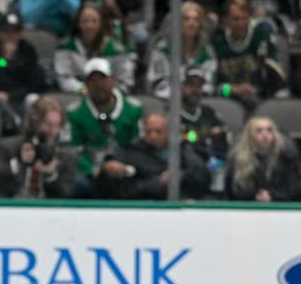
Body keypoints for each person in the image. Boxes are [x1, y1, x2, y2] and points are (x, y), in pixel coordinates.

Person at [66, 57, 143, 196]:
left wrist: (125, 167)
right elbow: (73, 150)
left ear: (112, 80)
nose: (98, 85)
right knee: (76, 182)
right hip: (91, 174)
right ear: (86, 84)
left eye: (102, 79)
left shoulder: (133, 110)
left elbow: (138, 145)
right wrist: (93, 170)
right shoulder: (75, 113)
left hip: (125, 170)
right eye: (92, 81)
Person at [94, 112, 210, 200]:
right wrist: (157, 183)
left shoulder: (183, 150)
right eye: (149, 131)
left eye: (158, 131)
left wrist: (182, 175)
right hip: (144, 206)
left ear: (168, 132)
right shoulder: (131, 153)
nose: (153, 136)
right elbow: (118, 189)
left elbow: (202, 176)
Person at [0, 95, 75, 198]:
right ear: (35, 122)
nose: (52, 131)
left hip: (48, 206)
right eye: (48, 124)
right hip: (14, 204)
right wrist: (17, 165)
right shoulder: (8, 147)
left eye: (57, 126)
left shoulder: (65, 155)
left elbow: (66, 193)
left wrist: (51, 175)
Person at [178, 66, 230, 198]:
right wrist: (199, 136)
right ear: (181, 86)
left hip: (209, 159)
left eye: (199, 86)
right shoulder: (171, 112)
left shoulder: (208, 112)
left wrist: (196, 136)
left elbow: (220, 134)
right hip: (183, 163)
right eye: (190, 85)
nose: (195, 90)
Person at [226, 116, 301, 203]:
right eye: (259, 131)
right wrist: (256, 196)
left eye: (269, 130)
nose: (265, 135)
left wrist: (273, 196)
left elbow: (295, 188)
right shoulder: (237, 159)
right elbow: (233, 190)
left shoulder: (287, 157)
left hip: (281, 206)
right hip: (247, 207)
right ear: (249, 135)